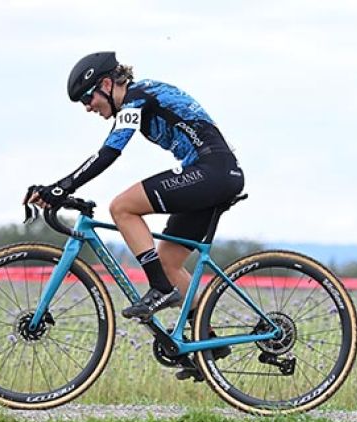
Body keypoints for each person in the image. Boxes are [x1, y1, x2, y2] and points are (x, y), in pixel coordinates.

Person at [25, 51, 243, 378]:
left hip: (212, 172)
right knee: (168, 263)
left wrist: (61, 187)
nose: (87, 107)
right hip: (213, 173)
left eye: (87, 98)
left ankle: (160, 289)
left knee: (122, 207)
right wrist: (62, 187)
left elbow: (110, 151)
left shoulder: (138, 96)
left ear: (107, 84)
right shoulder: (139, 98)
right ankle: (207, 342)